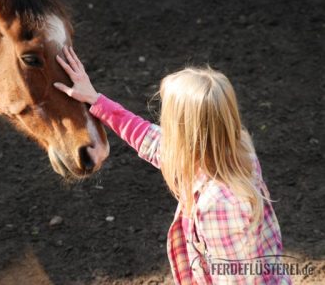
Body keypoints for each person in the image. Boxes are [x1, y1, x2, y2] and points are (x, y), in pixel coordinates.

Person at [53, 46, 291, 284]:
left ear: (186, 134)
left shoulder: (219, 205)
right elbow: (148, 137)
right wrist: (95, 99)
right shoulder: (232, 149)